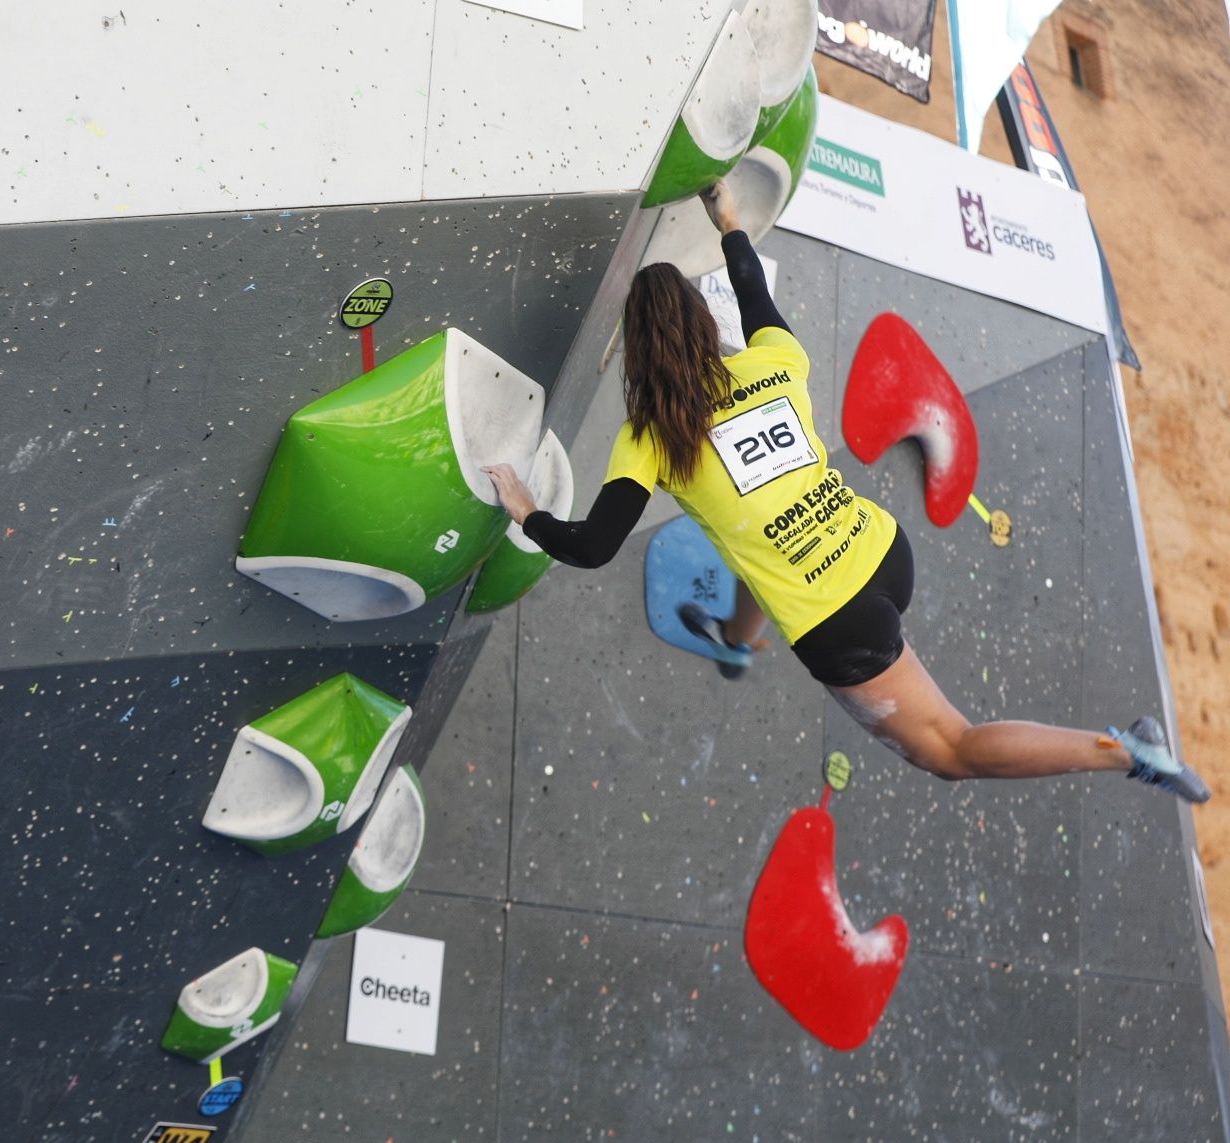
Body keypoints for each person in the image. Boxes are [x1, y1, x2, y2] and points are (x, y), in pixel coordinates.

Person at [484, 180, 1209, 805]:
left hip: (840, 622)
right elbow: (752, 288)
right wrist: (728, 217)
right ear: (706, 325)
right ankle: (740, 635)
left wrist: (526, 509)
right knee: (753, 532)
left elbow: (590, 546)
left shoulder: (650, 440)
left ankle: (1122, 751)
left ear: (635, 352)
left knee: (950, 751)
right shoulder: (778, 360)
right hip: (882, 552)